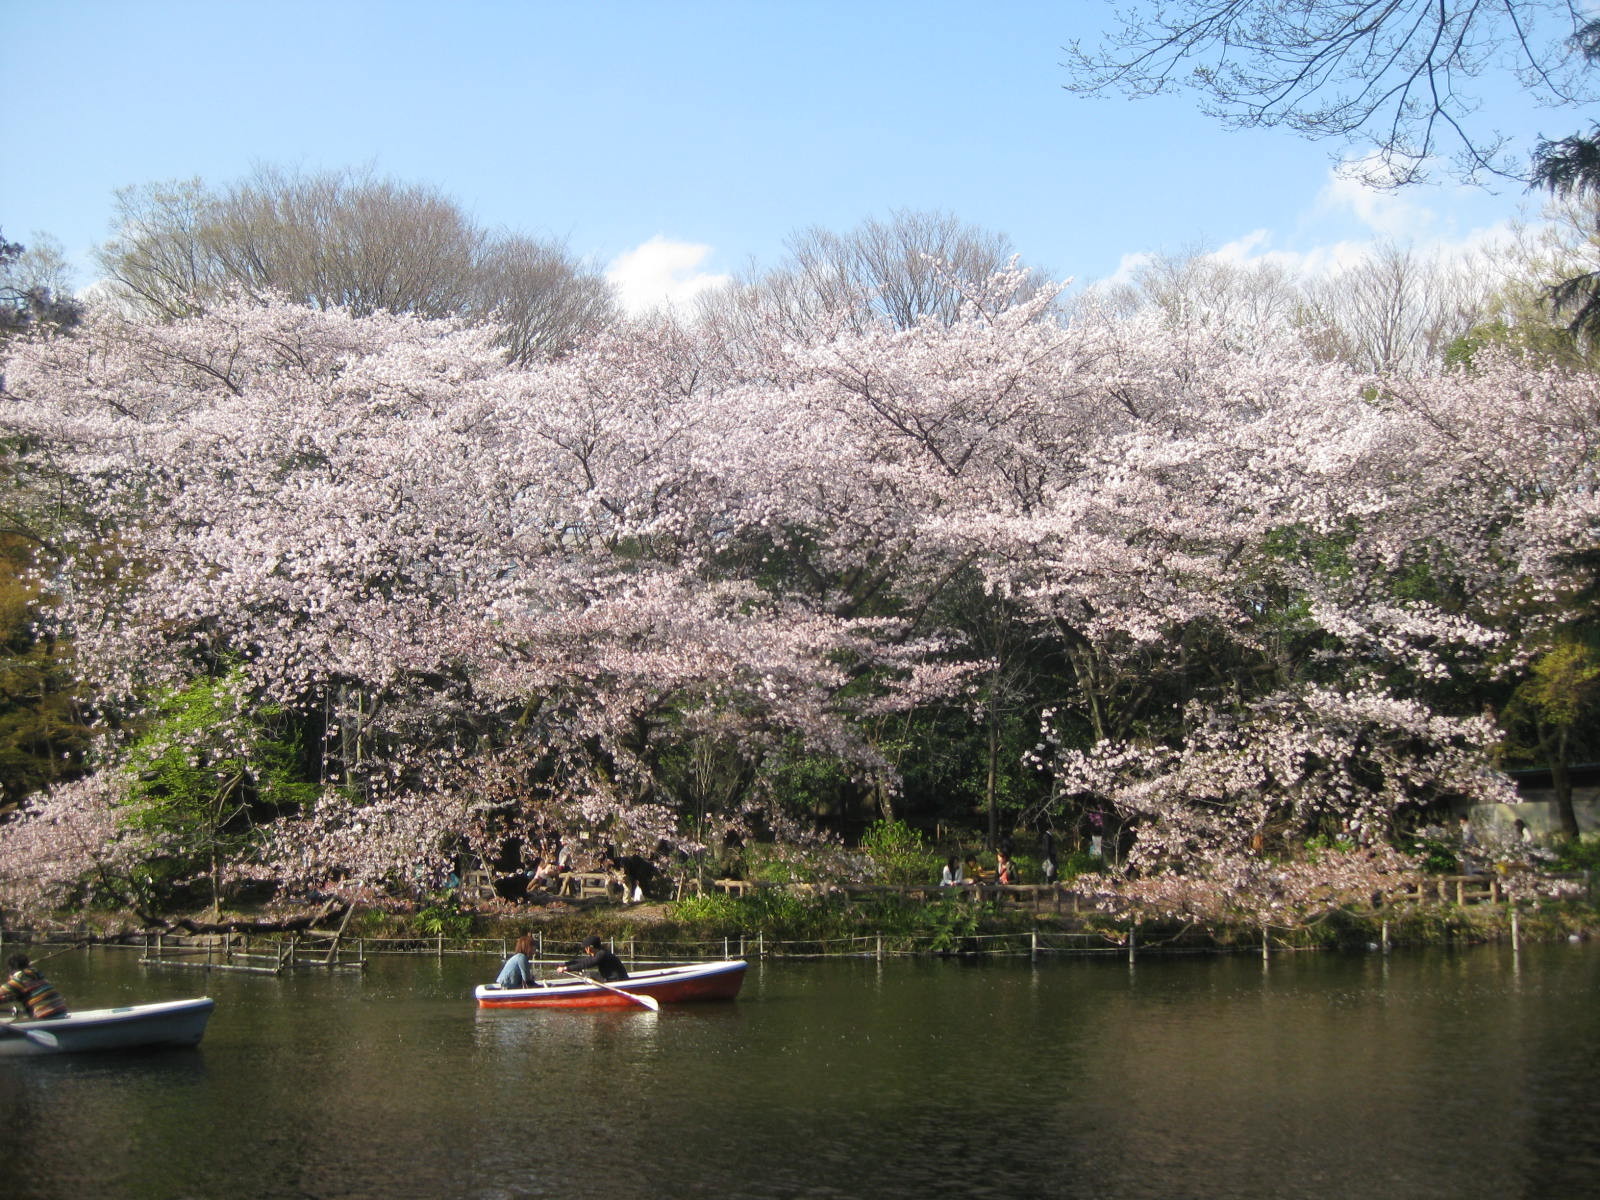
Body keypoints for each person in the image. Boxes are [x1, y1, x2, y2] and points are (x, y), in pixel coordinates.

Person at [1, 953, 68, 1020]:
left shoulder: (20, 981)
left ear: (10, 968)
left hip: (46, 1018)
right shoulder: (37, 976)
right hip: (62, 1015)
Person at [562, 934, 628, 982]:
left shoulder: (602, 954)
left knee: (589, 975)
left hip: (617, 980)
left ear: (590, 948)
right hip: (610, 978)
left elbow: (587, 964)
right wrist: (566, 964)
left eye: (586, 948)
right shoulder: (600, 953)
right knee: (590, 975)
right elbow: (584, 961)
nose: (586, 950)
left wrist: (567, 968)